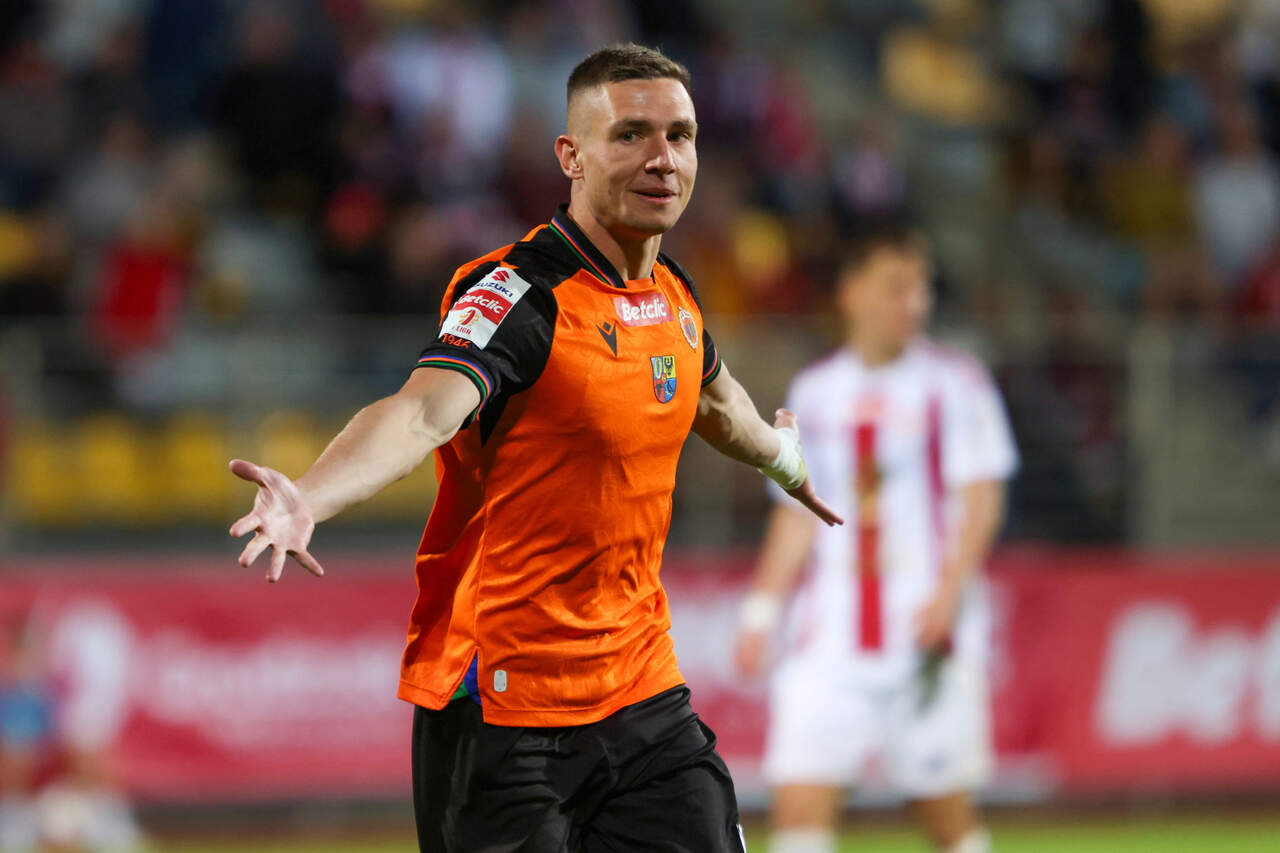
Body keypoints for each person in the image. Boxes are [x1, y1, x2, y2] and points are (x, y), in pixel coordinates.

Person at [228, 43, 841, 853]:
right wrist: (310, 494)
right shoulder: (522, 295)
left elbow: (718, 404)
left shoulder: (676, 297)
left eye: (680, 135)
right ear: (571, 155)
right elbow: (420, 414)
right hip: (503, 711)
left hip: (641, 691)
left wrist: (785, 459)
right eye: (630, 135)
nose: (662, 158)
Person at [734, 223, 1018, 853]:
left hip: (923, 631)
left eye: (921, 288)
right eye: (896, 287)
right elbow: (795, 515)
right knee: (798, 807)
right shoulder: (814, 392)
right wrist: (761, 612)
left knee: (945, 818)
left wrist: (949, 597)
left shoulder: (957, 383)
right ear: (852, 292)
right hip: (830, 636)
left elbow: (982, 500)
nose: (913, 303)